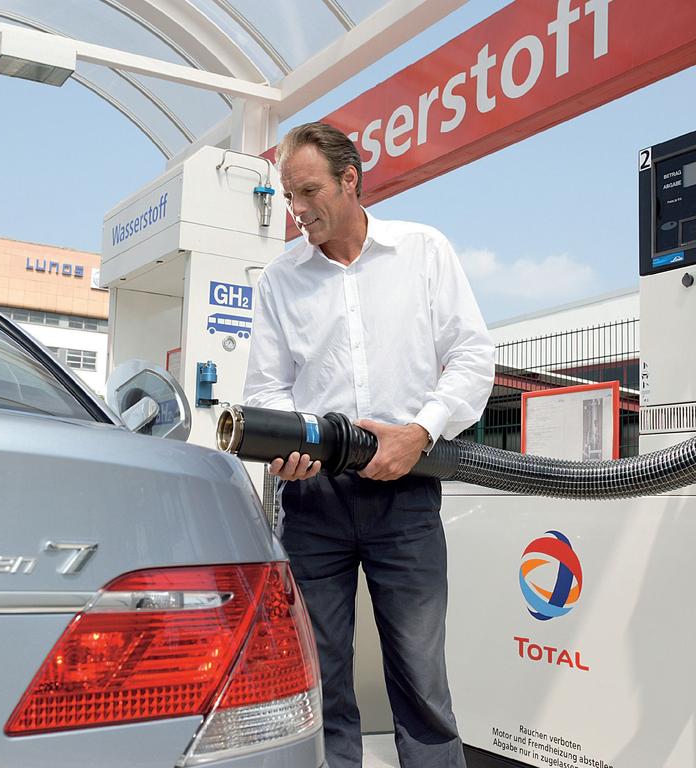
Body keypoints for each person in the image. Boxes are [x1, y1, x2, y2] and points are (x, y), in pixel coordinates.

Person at [243, 122, 495, 768]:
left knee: (419, 676)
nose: (296, 210)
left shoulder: (423, 251)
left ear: (351, 180)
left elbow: (471, 356)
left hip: (405, 491)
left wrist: (421, 430)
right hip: (312, 500)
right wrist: (284, 445)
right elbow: (269, 388)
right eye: (288, 195)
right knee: (317, 675)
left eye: (308, 192)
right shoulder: (280, 280)